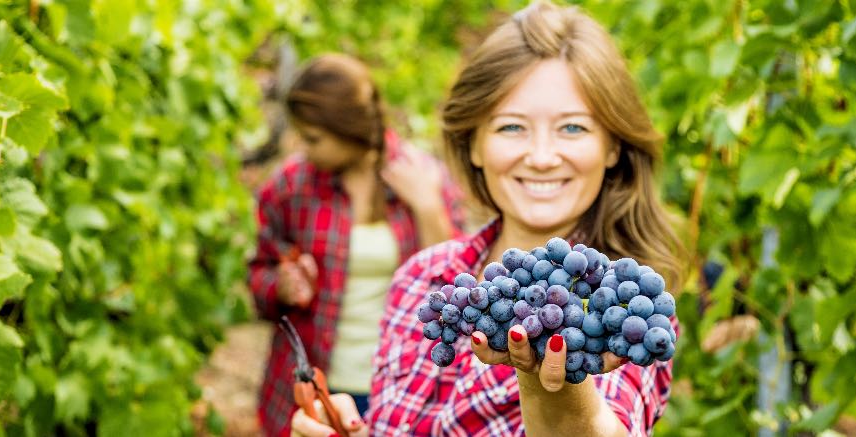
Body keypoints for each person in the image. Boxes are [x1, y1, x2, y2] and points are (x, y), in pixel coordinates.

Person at [290, 2, 683, 436]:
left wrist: (556, 391)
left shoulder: (627, 307)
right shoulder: (420, 279)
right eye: (511, 127)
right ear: (473, 144)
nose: (541, 157)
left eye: (573, 128)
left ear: (613, 147)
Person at [248, 53, 466, 436]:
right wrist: (279, 286)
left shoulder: (423, 178)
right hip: (311, 381)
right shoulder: (292, 186)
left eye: (314, 137)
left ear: (348, 128)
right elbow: (258, 275)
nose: (303, 146)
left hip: (400, 384)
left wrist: (429, 209)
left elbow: (457, 289)